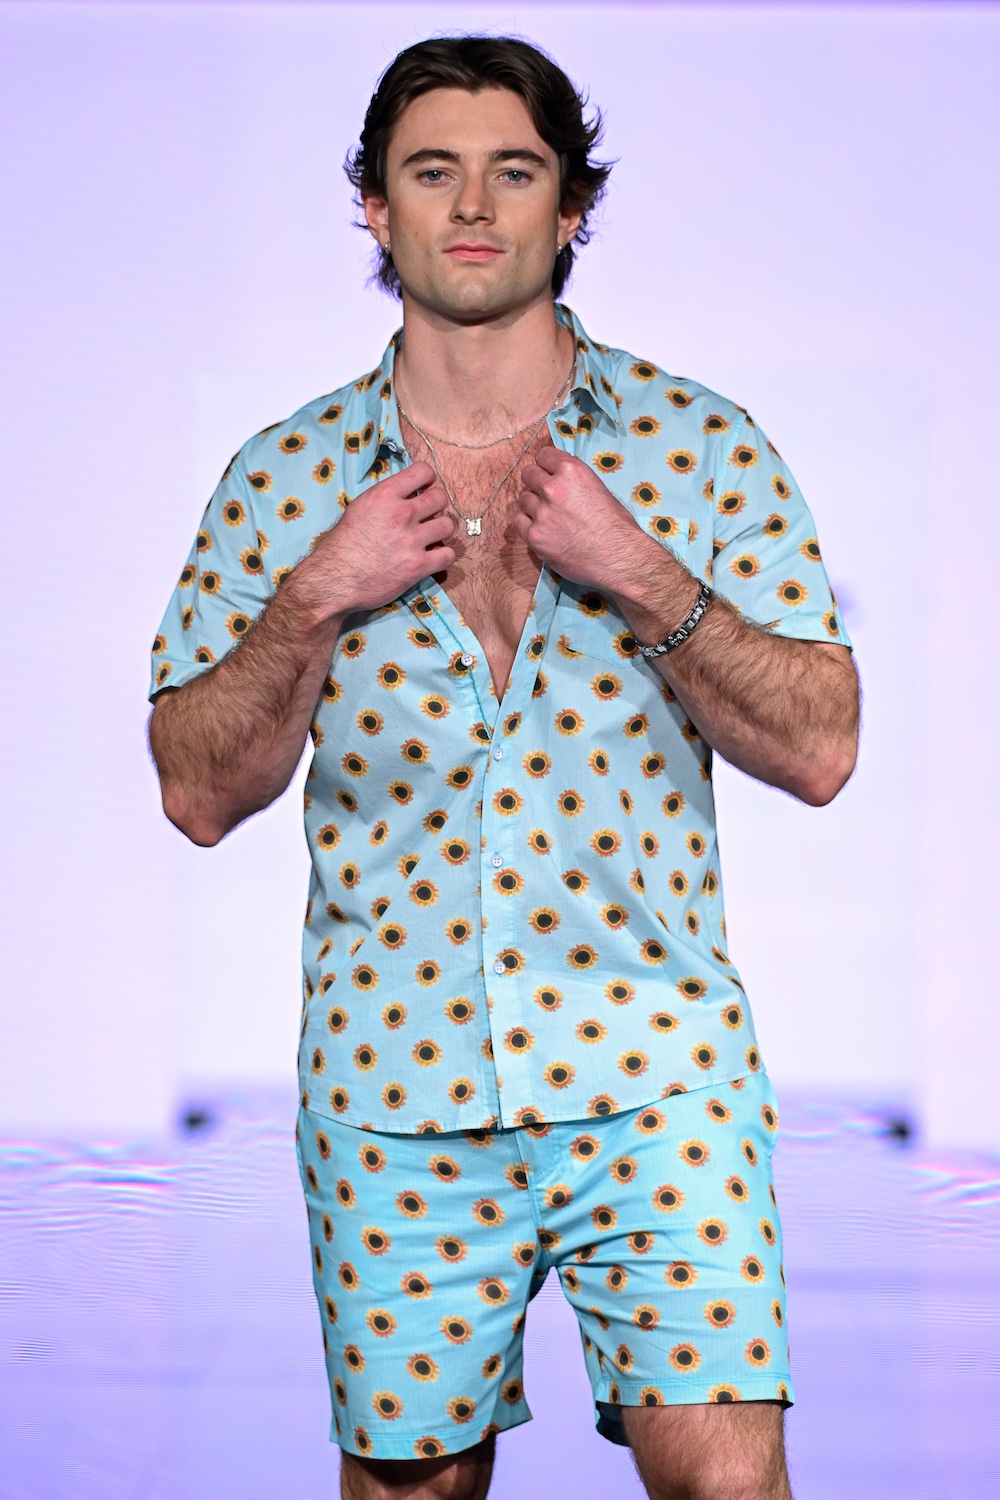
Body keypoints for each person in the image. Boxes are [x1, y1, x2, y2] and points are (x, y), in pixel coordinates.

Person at [148, 35, 858, 1500]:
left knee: (731, 1484)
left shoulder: (701, 448)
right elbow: (195, 791)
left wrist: (642, 573)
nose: (473, 205)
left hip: (660, 1078)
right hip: (390, 1095)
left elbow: (825, 746)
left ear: (571, 205)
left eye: (514, 171)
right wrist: (315, 595)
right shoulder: (282, 481)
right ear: (375, 205)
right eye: (433, 171)